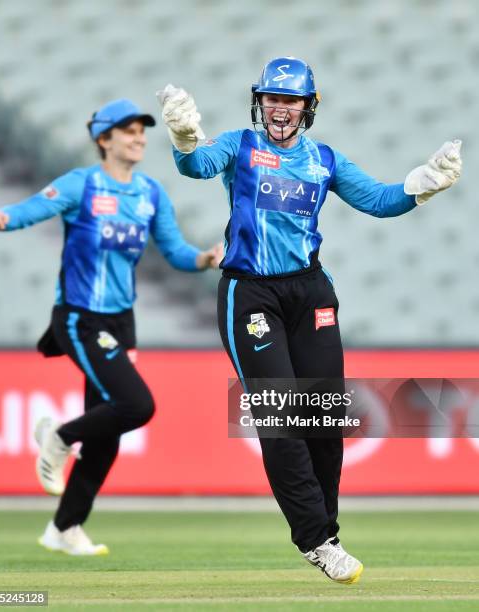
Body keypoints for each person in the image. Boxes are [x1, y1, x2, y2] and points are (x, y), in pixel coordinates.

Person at [157, 57, 462, 584]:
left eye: (290, 100)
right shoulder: (240, 146)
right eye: (272, 99)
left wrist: (422, 185)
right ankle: (315, 538)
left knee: (320, 418)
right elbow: (199, 167)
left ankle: (328, 532)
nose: (279, 109)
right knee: (280, 417)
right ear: (260, 102)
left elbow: (380, 201)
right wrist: (185, 140)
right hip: (250, 292)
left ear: (307, 107)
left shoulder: (323, 160)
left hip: (311, 291)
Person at [0, 98, 222, 556]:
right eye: (128, 130)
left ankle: (64, 528)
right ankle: (58, 437)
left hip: (121, 321)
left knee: (108, 437)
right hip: (79, 316)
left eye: (142, 131)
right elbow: (36, 207)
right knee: (138, 404)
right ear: (103, 139)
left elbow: (173, 251)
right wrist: (6, 217)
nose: (139, 138)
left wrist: (204, 259)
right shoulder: (84, 183)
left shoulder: (150, 193)